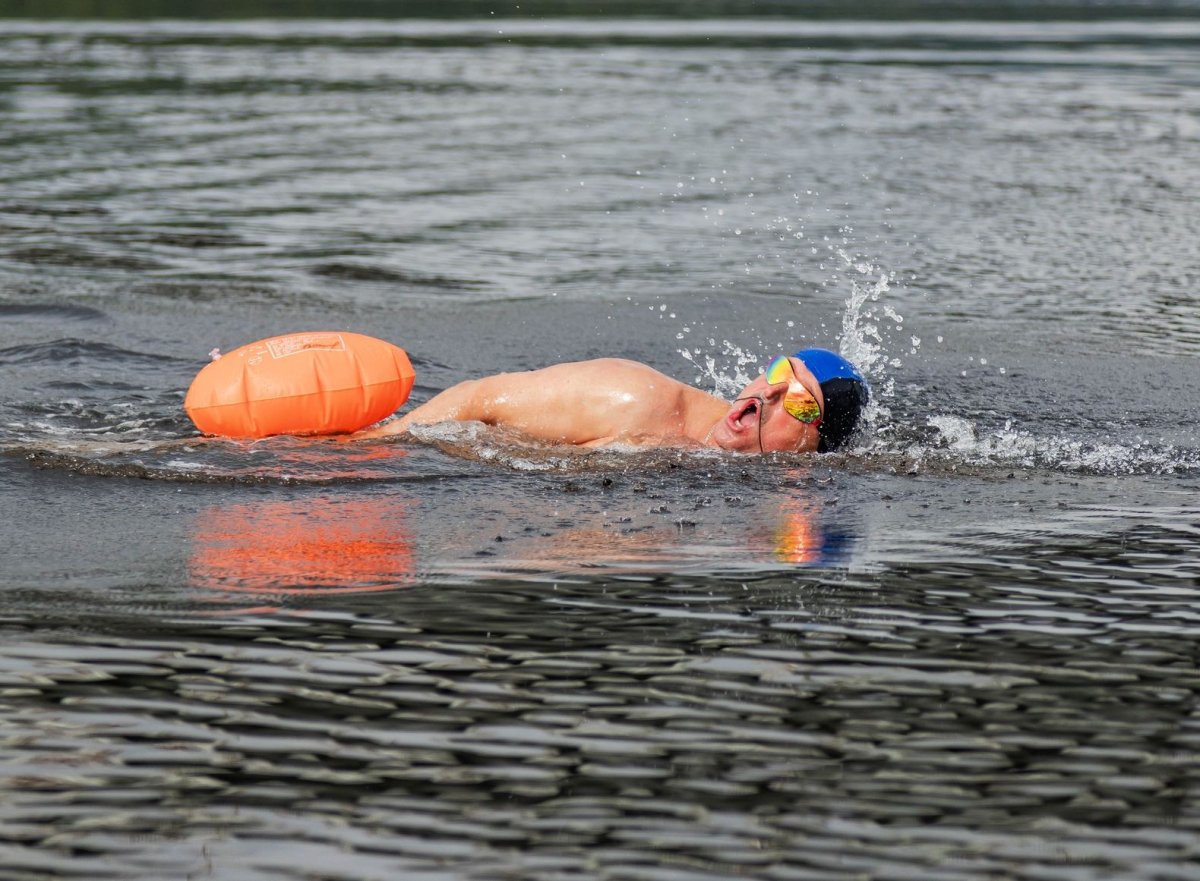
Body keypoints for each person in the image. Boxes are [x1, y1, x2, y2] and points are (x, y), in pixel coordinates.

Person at [361, 348, 869, 454]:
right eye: (779, 373)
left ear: (812, 448)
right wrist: (374, 445)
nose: (769, 393)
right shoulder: (635, 400)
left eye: (801, 403)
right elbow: (479, 397)